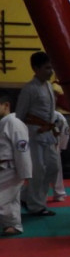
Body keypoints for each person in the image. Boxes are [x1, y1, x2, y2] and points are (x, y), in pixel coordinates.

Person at [15, 51, 59, 216]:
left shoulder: (49, 86)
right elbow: (20, 115)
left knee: (53, 167)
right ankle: (36, 206)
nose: (51, 71)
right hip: (33, 134)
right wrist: (20, 138)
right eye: (47, 68)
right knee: (38, 170)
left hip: (48, 133)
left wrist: (54, 128)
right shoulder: (29, 89)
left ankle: (26, 196)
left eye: (51, 67)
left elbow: (51, 112)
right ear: (35, 68)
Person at [0, 91, 33, 236]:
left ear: (6, 105)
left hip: (11, 168)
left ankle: (13, 224)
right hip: (5, 167)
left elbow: (22, 148)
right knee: (11, 198)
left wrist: (25, 172)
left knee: (3, 198)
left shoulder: (14, 123)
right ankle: (13, 225)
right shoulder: (4, 122)